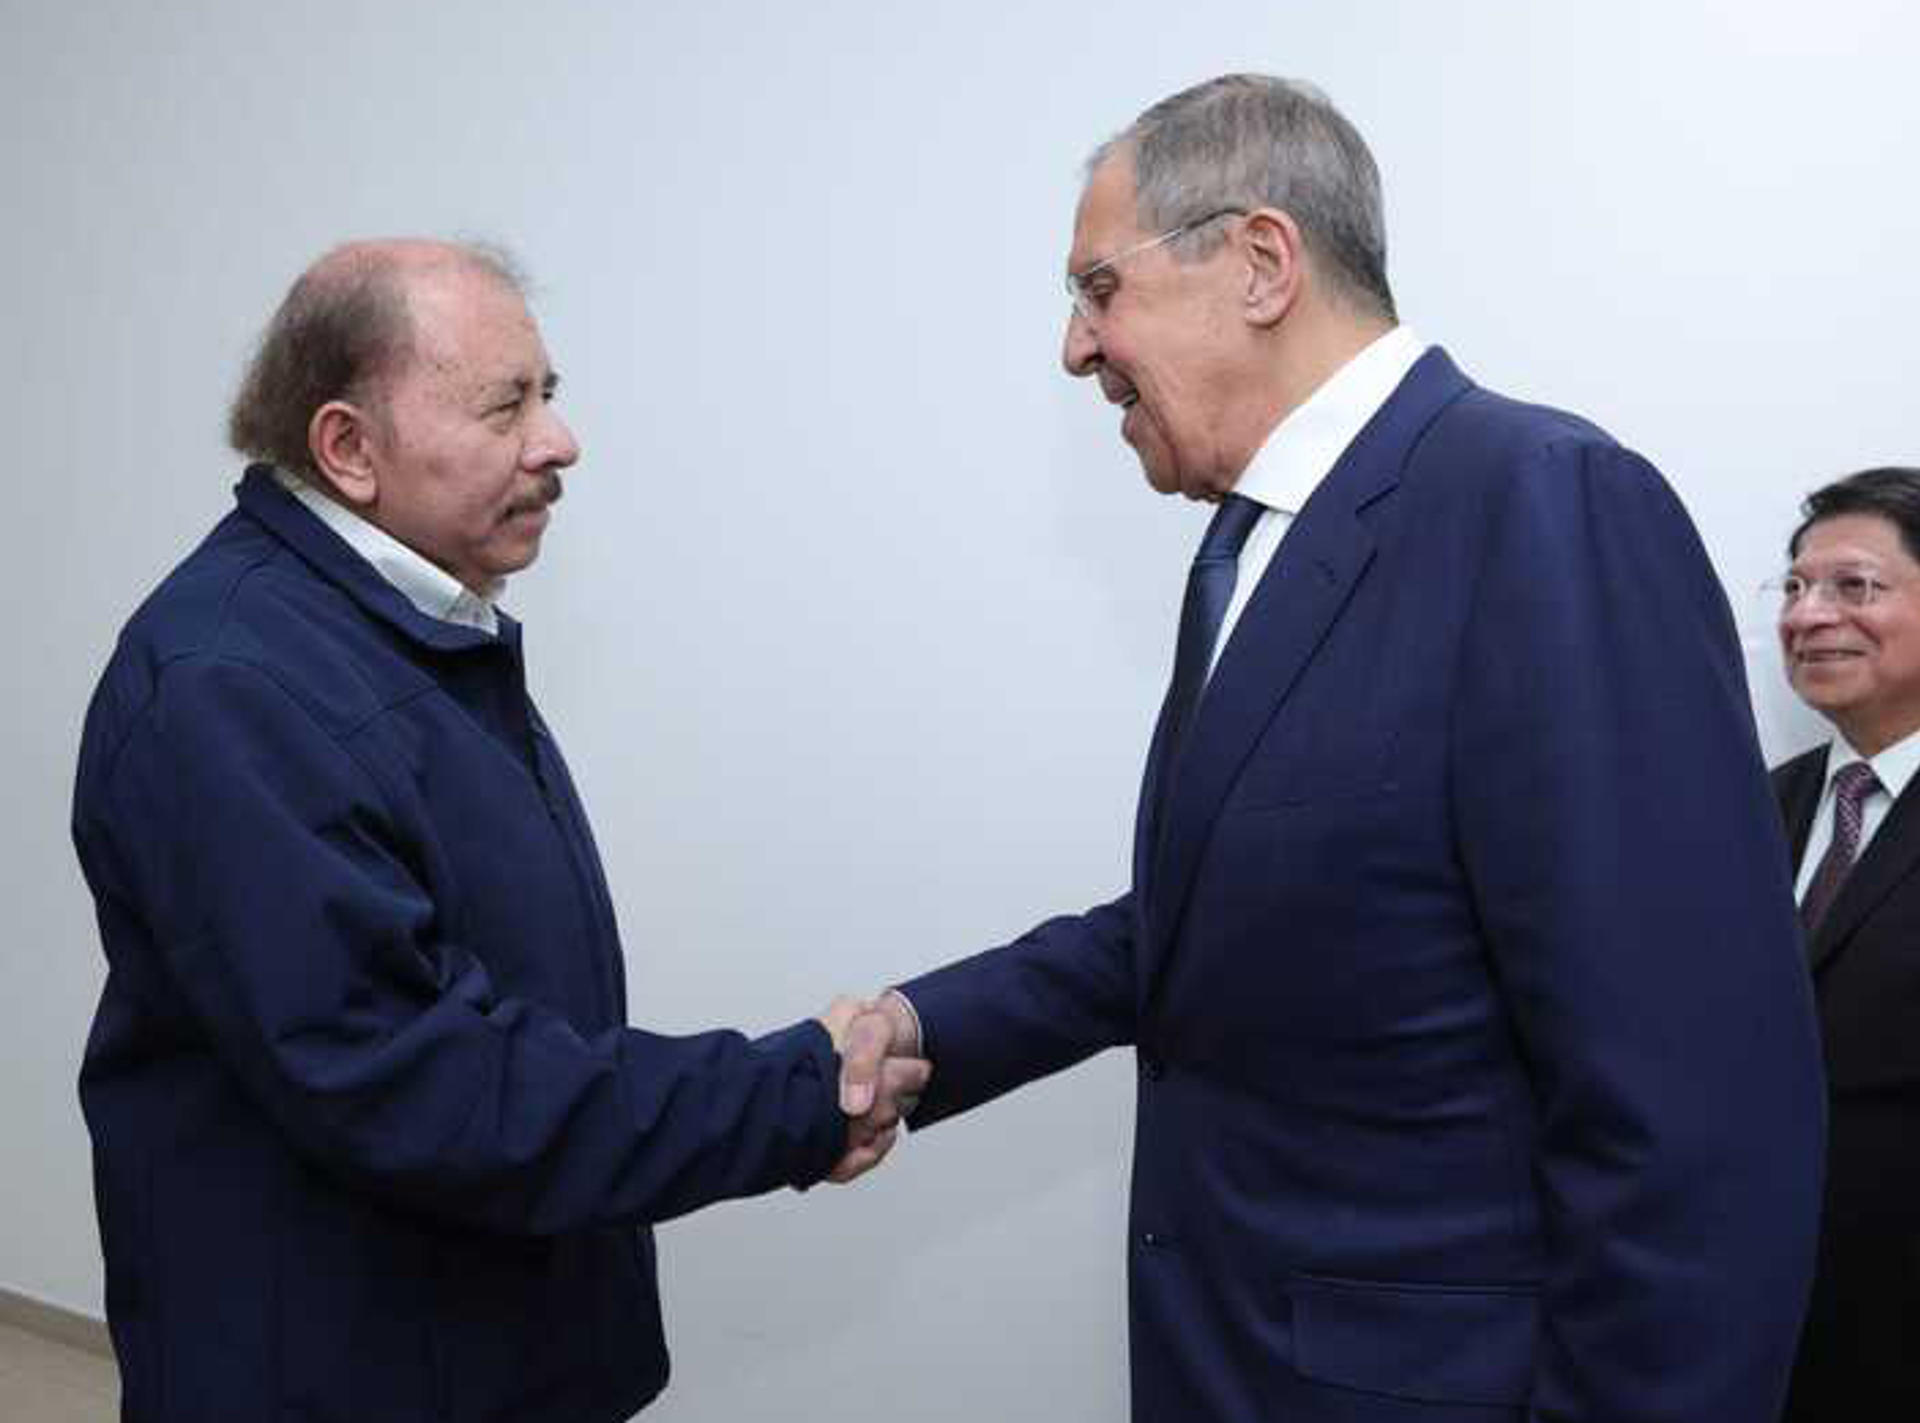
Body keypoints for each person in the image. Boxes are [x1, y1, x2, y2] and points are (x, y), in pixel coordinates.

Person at [860, 74, 1823, 1422]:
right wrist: (922, 1025)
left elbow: (1697, 1115)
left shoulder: (1544, 503)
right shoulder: (1248, 546)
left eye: (1098, 288)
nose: (1078, 349)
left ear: (1261, 262)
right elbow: (1232, 917)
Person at [70, 238, 924, 1423]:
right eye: (505, 404)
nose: (558, 440)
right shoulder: (232, 685)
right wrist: (785, 1095)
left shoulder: (403, 625)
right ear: (349, 450)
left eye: (550, 393)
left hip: (478, 1341)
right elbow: (425, 1085)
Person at [1769, 466, 1920, 1421]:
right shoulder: (1758, 803)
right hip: (1774, 1328)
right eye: (1794, 587)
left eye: (1855, 586)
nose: (1809, 614)